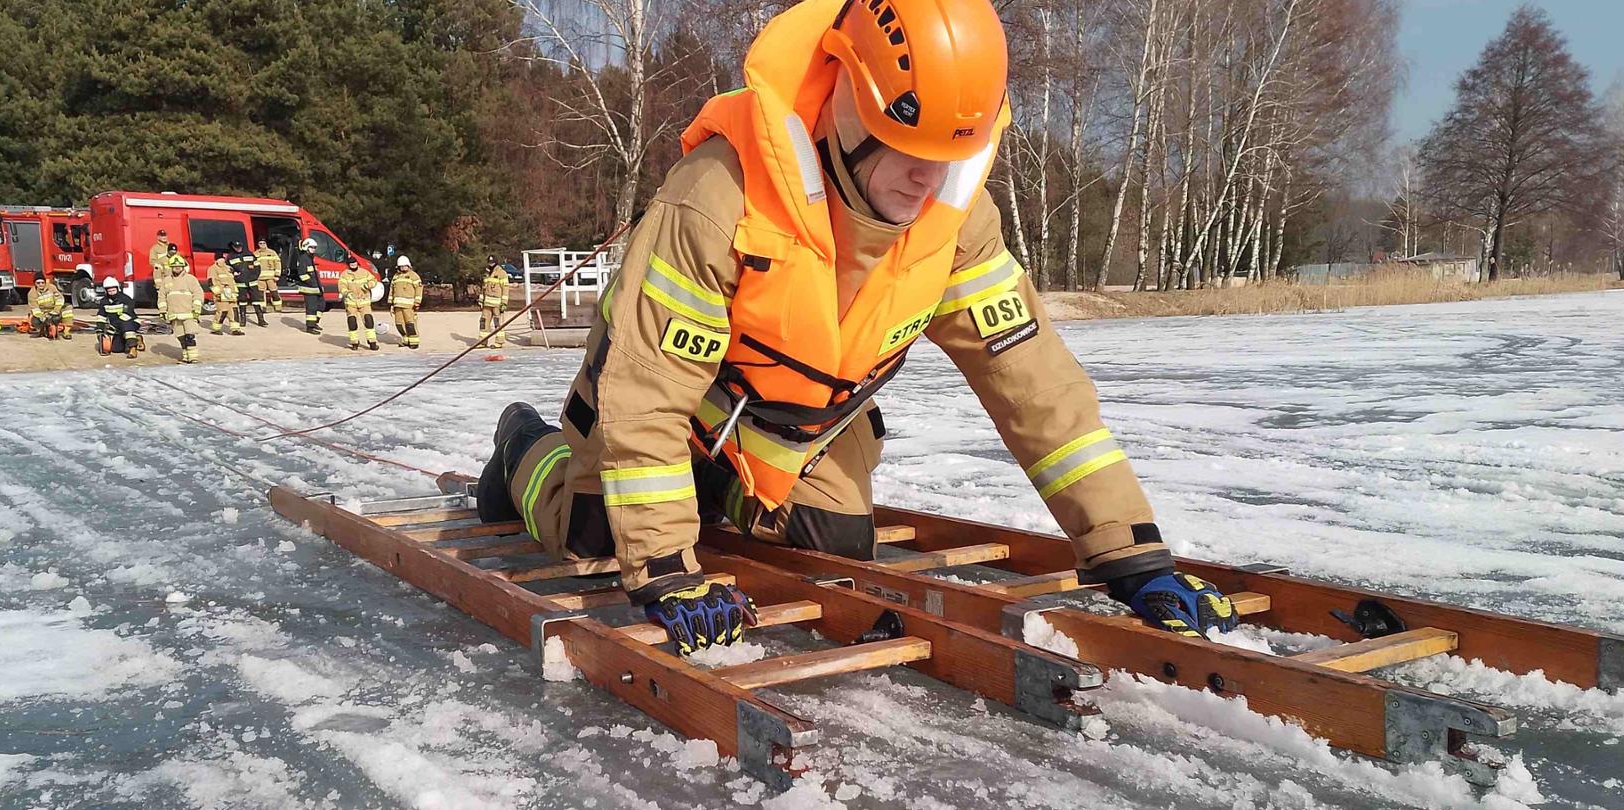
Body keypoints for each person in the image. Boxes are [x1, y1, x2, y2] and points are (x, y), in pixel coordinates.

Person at [471, 0, 1239, 658]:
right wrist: (666, 568)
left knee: (836, 541)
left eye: (951, 156)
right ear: (849, 107)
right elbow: (645, 396)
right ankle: (522, 451)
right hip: (656, 409)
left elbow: (1038, 389)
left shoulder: (956, 224)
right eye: (910, 150)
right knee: (601, 535)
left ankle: (712, 494)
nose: (928, 180)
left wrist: (1129, 550)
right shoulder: (717, 198)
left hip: (778, 438)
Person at [159, 258, 204, 363]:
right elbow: (161, 296)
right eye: (175, 266)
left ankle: (193, 357)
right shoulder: (166, 280)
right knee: (181, 337)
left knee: (190, 335)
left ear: (183, 267)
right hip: (174, 314)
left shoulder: (190, 279)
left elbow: (198, 294)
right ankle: (185, 356)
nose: (177, 268)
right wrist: (163, 310)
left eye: (179, 266)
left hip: (189, 313)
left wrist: (196, 308)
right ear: (171, 267)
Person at [337, 257, 380, 351]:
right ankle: (354, 343)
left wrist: (367, 285)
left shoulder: (364, 272)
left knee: (368, 320)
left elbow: (374, 280)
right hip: (351, 302)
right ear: (348, 265)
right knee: (352, 321)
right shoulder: (345, 274)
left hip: (364, 301)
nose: (353, 265)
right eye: (351, 264)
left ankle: (372, 342)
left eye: (355, 263)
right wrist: (347, 293)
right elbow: (341, 286)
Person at [95, 277, 143, 357]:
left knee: (126, 327)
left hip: (130, 322)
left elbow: (127, 314)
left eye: (113, 290)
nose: (112, 293)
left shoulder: (125, 299)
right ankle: (137, 339)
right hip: (116, 326)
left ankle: (133, 348)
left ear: (118, 289)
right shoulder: (104, 302)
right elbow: (101, 316)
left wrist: (114, 326)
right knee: (116, 349)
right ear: (106, 291)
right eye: (109, 291)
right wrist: (100, 329)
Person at [387, 254, 423, 349]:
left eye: (404, 266)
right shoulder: (396, 276)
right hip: (397, 305)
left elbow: (419, 289)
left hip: (409, 306)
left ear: (408, 266)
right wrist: (391, 303)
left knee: (410, 324)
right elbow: (392, 290)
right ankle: (405, 340)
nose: (403, 268)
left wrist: (417, 302)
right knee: (399, 324)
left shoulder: (414, 276)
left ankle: (414, 342)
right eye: (401, 266)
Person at [291, 237, 325, 334]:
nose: (313, 249)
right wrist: (312, 283)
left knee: (322, 305)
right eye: (311, 247)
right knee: (311, 308)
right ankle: (310, 327)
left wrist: (318, 286)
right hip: (309, 289)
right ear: (306, 247)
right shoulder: (303, 258)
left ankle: (314, 322)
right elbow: (302, 275)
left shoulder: (310, 258)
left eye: (314, 247)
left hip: (316, 288)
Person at [229, 240, 266, 328]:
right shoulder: (230, 257)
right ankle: (243, 320)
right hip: (240, 283)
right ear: (233, 247)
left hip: (252, 282)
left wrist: (255, 276)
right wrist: (235, 275)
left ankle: (261, 320)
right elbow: (228, 268)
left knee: (256, 301)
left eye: (239, 247)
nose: (238, 249)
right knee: (242, 302)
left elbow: (257, 266)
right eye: (236, 247)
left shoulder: (249, 254)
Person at [208, 251, 245, 336]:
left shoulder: (229, 268)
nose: (221, 260)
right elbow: (211, 282)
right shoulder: (212, 269)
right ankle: (216, 329)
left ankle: (235, 329)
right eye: (219, 259)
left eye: (222, 258)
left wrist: (235, 292)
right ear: (216, 260)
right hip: (221, 294)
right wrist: (217, 292)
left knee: (234, 311)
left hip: (231, 294)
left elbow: (232, 281)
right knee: (222, 311)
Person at [28, 274, 73, 339]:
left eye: (42, 282)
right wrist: (42, 317)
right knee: (35, 321)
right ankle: (43, 329)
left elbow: (59, 299)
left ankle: (66, 332)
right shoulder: (32, 293)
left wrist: (55, 311)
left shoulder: (52, 288)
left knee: (68, 309)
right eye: (38, 283)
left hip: (55, 310)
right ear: (35, 283)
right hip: (43, 313)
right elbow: (34, 308)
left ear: (45, 282)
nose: (40, 284)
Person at [478, 256, 509, 349]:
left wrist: (504, 303)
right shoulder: (487, 273)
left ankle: (499, 342)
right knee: (483, 322)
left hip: (497, 304)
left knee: (498, 323)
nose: (491, 264)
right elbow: (483, 288)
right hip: (486, 304)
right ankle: (482, 342)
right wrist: (481, 300)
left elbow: (505, 288)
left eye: (492, 262)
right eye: (489, 262)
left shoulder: (501, 273)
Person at [255, 238, 284, 313]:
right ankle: (262, 308)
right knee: (260, 293)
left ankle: (278, 307)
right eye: (260, 243)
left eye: (263, 243)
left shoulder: (272, 252)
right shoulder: (255, 254)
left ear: (266, 244)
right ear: (258, 244)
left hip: (271, 277)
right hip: (260, 278)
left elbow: (277, 263)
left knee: (274, 292)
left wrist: (277, 275)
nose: (262, 245)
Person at [148, 230, 175, 301]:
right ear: (158, 237)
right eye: (162, 236)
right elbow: (152, 261)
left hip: (173, 275)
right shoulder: (155, 248)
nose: (164, 237)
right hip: (163, 275)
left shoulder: (171, 246)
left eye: (165, 235)